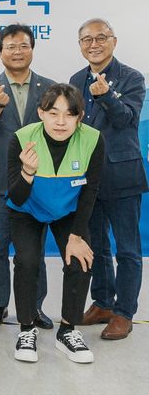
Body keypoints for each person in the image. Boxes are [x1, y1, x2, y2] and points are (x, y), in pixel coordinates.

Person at [7, 84, 104, 364]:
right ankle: (27, 329)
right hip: (27, 209)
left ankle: (68, 330)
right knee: (27, 261)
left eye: (69, 114)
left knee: (80, 260)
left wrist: (77, 235)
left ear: (80, 117)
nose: (61, 121)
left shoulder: (93, 139)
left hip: (68, 211)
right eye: (53, 113)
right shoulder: (22, 138)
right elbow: (15, 194)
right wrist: (27, 171)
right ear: (41, 113)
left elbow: (91, 190)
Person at [0, 24, 55, 329]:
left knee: (32, 251)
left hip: (36, 179)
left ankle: (35, 306)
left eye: (23, 45)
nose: (17, 52)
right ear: (0, 52)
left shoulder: (49, 88)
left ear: (32, 49)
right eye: (10, 46)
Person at [70, 19, 146, 340]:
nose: (94, 44)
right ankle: (102, 302)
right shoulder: (76, 79)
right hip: (88, 177)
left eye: (101, 38)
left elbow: (127, 119)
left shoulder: (132, 77)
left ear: (113, 41)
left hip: (122, 175)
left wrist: (105, 97)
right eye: (87, 39)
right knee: (96, 245)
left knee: (127, 249)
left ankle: (124, 312)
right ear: (80, 45)